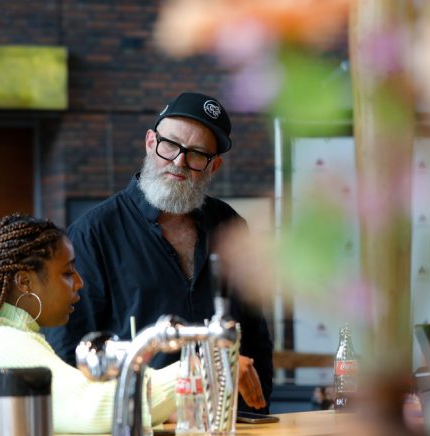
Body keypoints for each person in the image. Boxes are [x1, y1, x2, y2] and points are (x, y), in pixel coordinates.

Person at [45, 92, 271, 412]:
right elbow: (69, 350)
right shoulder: (94, 233)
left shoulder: (230, 226)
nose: (178, 162)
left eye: (196, 154)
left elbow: (255, 333)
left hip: (228, 430)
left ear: (214, 165)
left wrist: (258, 413)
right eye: (171, 145)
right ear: (151, 142)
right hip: (141, 430)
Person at [0, 214, 177, 436]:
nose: (79, 282)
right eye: (68, 273)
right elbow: (93, 407)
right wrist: (188, 374)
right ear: (24, 282)